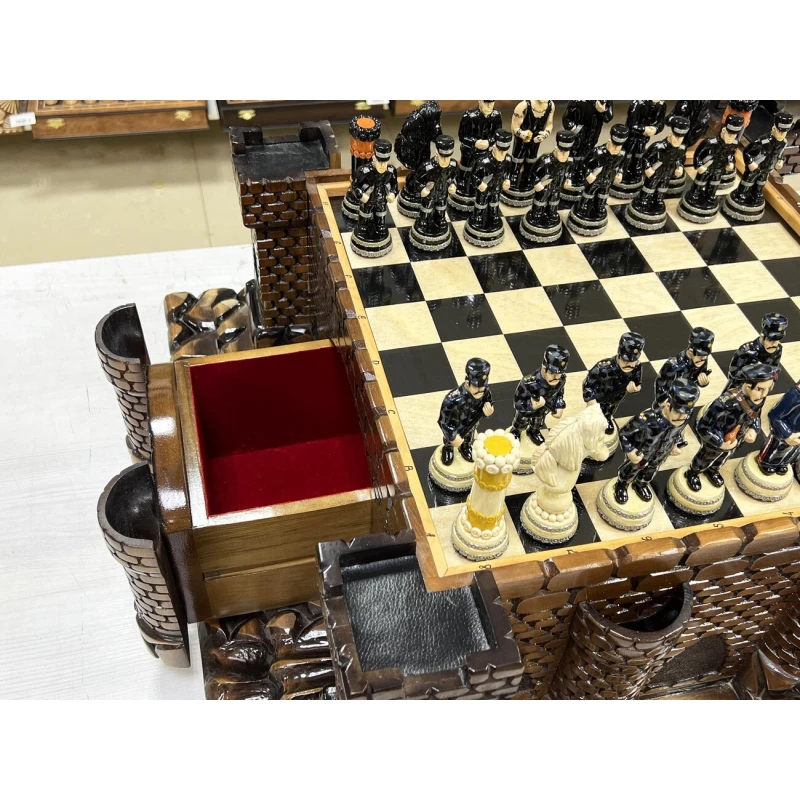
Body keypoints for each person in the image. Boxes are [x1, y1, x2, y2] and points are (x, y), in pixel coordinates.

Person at [685, 362, 778, 492]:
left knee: (724, 457)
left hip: (737, 438)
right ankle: (693, 472)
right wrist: (720, 442)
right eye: (760, 389)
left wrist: (753, 429)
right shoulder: (726, 403)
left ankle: (713, 469)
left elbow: (755, 415)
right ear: (747, 386)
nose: (764, 394)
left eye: (768, 389)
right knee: (706, 457)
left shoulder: (758, 398)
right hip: (717, 439)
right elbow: (703, 427)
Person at [614, 378, 700, 504]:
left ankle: (641, 484)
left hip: (661, 453)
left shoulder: (683, 417)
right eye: (677, 412)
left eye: (685, 414)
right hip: (641, 453)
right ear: (668, 405)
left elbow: (678, 432)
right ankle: (622, 485)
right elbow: (624, 433)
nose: (681, 418)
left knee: (651, 470)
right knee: (631, 470)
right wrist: (630, 451)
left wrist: (675, 444)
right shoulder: (647, 419)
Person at [725, 111, 794, 222]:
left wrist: (781, 160)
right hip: (756, 166)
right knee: (748, 180)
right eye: (780, 132)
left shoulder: (783, 142)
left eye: (784, 132)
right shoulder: (763, 141)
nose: (782, 135)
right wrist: (750, 163)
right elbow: (747, 151)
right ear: (774, 129)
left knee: (761, 182)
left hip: (767, 168)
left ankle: (756, 193)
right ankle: (741, 193)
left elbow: (780, 153)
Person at [625, 115, 689, 230]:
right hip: (655, 172)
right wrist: (647, 168)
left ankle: (658, 199)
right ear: (670, 134)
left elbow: (681, 159)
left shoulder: (681, 148)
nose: (678, 140)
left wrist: (679, 167)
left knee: (663, 187)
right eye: (676, 137)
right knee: (650, 186)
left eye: (681, 138)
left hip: (667, 173)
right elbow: (645, 158)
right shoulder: (657, 146)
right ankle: (644, 199)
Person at [677, 114, 743, 224]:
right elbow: (698, 154)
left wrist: (731, 162)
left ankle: (710, 195)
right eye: (729, 135)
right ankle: (694, 193)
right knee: (700, 181)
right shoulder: (709, 142)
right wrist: (699, 165)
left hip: (718, 168)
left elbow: (730, 155)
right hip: (706, 167)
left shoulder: (734, 144)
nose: (731, 138)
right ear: (723, 131)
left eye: (734, 135)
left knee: (714, 183)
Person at [567, 124, 629, 237]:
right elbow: (584, 164)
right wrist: (588, 174)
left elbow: (623, 165)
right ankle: (583, 205)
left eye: (619, 146)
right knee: (589, 192)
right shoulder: (597, 152)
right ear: (609, 141)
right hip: (595, 179)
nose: (616, 149)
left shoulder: (622, 153)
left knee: (603, 193)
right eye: (614, 145)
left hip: (608, 178)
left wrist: (620, 172)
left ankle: (600, 205)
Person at [518, 130, 576, 243]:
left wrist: (568, 179)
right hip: (544, 186)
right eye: (562, 152)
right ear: (556, 149)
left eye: (567, 152)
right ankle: (536, 212)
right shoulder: (545, 160)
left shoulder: (569, 161)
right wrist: (536, 183)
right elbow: (533, 173)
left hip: (557, 186)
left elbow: (570, 171)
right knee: (540, 200)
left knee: (554, 200)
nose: (564, 155)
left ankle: (552, 212)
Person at [583, 332, 645, 435]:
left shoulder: (637, 367)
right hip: (598, 398)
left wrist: (635, 389)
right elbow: (587, 384)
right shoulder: (603, 367)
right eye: (625, 360)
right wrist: (591, 401)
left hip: (615, 399)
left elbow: (637, 383)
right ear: (619, 354)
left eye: (633, 361)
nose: (629, 364)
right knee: (593, 416)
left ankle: (606, 418)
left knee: (609, 410)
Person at [437, 358, 494, 465]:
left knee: (469, 436)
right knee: (450, 442)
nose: (480, 391)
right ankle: (448, 449)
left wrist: (489, 411)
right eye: (476, 387)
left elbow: (489, 402)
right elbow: (443, 422)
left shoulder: (485, 392)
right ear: (467, 382)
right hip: (455, 427)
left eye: (482, 387)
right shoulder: (452, 399)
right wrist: (452, 437)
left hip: (472, 424)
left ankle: (466, 446)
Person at [511, 345, 570, 446]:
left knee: (537, 423)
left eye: (559, 374)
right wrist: (531, 405)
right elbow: (517, 402)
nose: (556, 377)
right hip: (526, 411)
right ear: (544, 368)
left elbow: (559, 393)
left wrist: (559, 405)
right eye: (552, 373)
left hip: (543, 410)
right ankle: (515, 432)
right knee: (520, 423)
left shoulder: (561, 380)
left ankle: (533, 431)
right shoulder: (529, 383)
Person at [349, 139, 399, 258]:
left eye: (385, 162)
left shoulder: (391, 171)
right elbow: (355, 186)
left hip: (381, 199)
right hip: (368, 198)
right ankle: (363, 226)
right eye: (380, 162)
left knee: (381, 213)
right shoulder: (364, 171)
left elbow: (395, 185)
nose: (382, 165)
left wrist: (393, 194)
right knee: (365, 213)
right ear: (374, 158)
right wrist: (361, 195)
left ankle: (380, 225)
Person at [450, 101, 503, 211]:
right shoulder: (469, 116)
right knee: (466, 170)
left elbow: (498, 134)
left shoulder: (496, 115)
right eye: (486, 102)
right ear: (480, 101)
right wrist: (475, 142)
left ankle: (479, 188)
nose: (489, 106)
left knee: (481, 171)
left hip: (485, 152)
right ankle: (463, 186)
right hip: (469, 151)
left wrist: (489, 142)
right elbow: (462, 136)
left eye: (492, 102)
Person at [464, 129, 513, 247]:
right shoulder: (483, 161)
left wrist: (507, 180)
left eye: (505, 151)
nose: (503, 154)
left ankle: (494, 215)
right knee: (481, 202)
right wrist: (479, 183)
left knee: (494, 202)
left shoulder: (508, 159)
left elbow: (508, 172)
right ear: (494, 147)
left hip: (496, 187)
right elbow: (473, 175)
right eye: (500, 151)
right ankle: (478, 215)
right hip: (484, 188)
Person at [409, 135, 458, 251]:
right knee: (427, 208)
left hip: (442, 193)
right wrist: (422, 189)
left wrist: (453, 184)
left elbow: (454, 177)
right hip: (430, 195)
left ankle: (440, 219)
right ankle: (423, 220)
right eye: (442, 157)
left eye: (448, 157)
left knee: (441, 207)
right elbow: (417, 180)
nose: (445, 160)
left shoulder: (453, 165)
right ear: (436, 153)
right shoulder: (427, 167)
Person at [502, 99, 555, 206]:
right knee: (518, 156)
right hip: (522, 139)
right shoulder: (523, 106)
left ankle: (528, 175)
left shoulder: (550, 105)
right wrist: (521, 133)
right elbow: (514, 126)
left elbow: (549, 124)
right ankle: (514, 175)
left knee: (532, 157)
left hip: (536, 139)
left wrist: (545, 134)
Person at [654, 327, 714, 407]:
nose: (703, 359)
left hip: (687, 400)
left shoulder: (701, 359)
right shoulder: (673, 365)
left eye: (706, 355)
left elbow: (700, 375)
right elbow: (661, 384)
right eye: (700, 355)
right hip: (670, 403)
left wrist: (703, 380)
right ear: (691, 351)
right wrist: (661, 400)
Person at [726, 312, 787, 390]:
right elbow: (733, 372)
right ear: (762, 336)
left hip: (762, 388)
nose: (774, 344)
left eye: (777, 340)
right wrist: (752, 373)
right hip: (740, 387)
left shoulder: (778, 350)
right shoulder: (746, 351)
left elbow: (775, 368)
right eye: (770, 340)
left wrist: (772, 380)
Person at [758, 380, 800, 475]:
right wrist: (787, 434)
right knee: (776, 448)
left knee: (792, 451)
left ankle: (783, 463)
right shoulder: (794, 395)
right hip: (785, 432)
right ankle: (767, 462)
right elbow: (774, 416)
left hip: (797, 437)